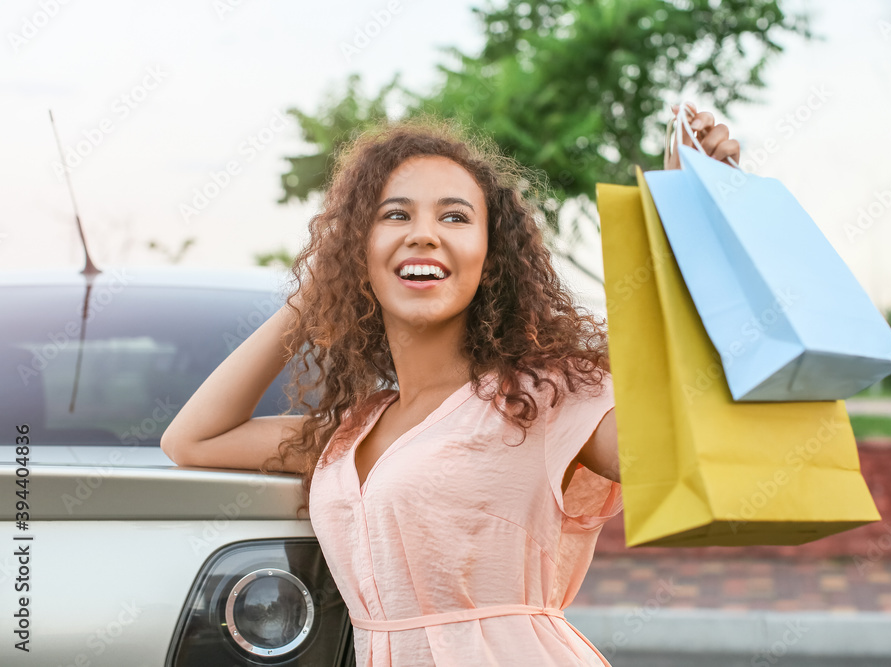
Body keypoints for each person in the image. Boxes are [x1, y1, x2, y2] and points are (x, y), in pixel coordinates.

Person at [161, 104, 740, 666]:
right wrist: (316, 292)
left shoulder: (540, 397)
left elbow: (667, 448)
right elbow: (194, 441)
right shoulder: (354, 429)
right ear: (356, 250)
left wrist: (693, 233)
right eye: (394, 215)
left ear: (491, 258)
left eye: (455, 217)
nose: (424, 235)